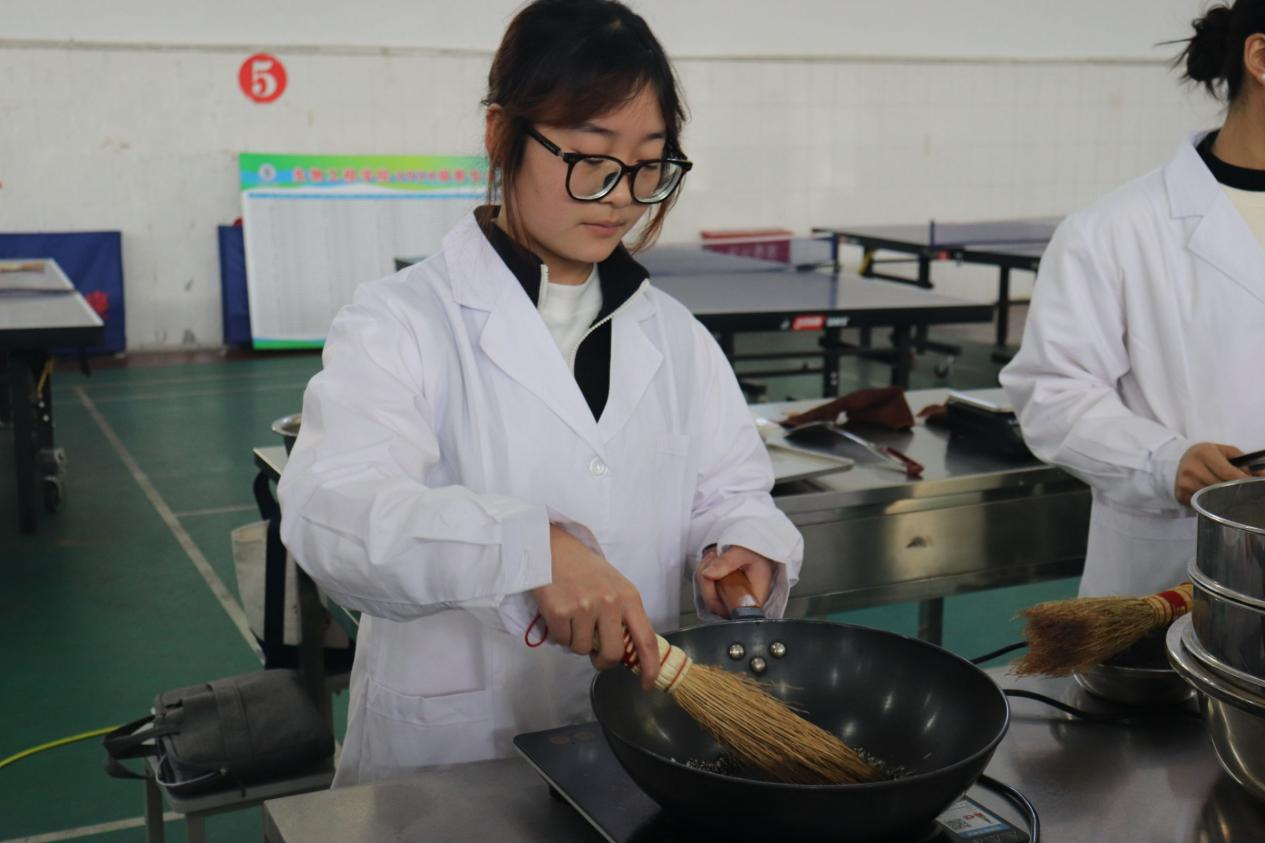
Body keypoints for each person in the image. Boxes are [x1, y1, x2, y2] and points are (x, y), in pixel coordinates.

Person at [277, 0, 803, 786]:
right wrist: (526, 551)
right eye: (591, 158)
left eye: (648, 163)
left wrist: (741, 542)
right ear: (502, 136)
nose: (621, 195)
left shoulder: (675, 336)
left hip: (638, 750)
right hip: (448, 772)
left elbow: (730, 488)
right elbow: (333, 518)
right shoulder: (400, 321)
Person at [1001, 0, 1265, 599]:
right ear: (1260, 57)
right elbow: (1051, 394)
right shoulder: (1115, 229)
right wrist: (1164, 461)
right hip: (1175, 566)